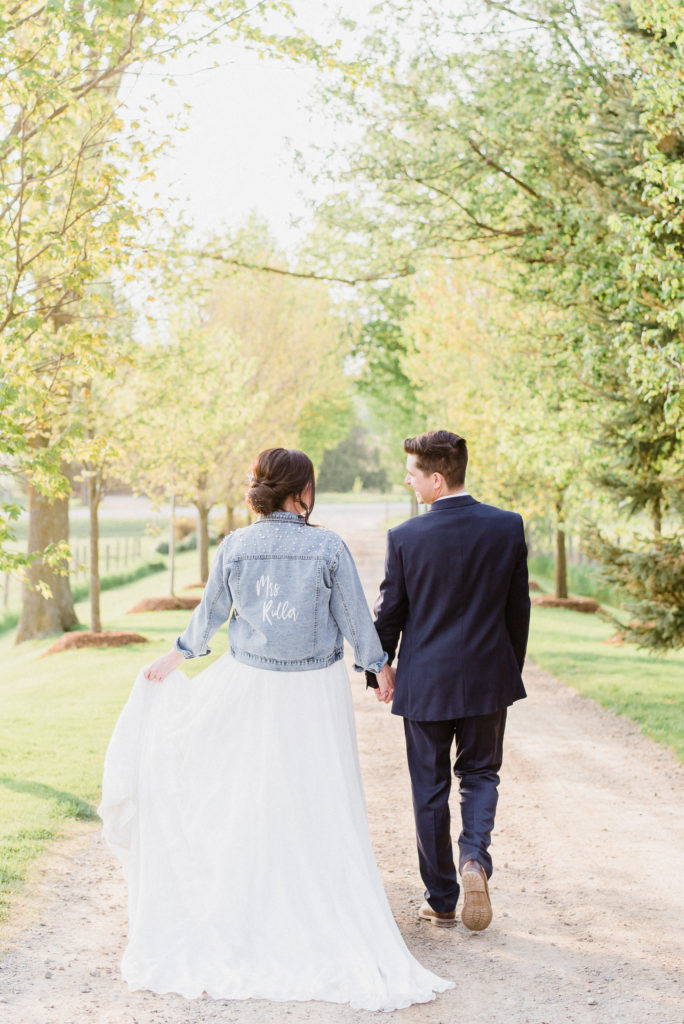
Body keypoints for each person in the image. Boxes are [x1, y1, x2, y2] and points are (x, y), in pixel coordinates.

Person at [98, 447, 453, 1011]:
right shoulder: (327, 546)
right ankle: (312, 907)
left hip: (251, 686)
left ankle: (253, 907)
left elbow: (210, 613)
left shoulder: (237, 545)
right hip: (312, 693)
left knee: (250, 796)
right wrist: (379, 667)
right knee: (316, 798)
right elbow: (354, 619)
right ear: (301, 491)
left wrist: (176, 657)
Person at [366, 430, 530, 931]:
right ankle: (475, 859)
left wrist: (380, 667)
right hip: (487, 678)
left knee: (429, 789)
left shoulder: (406, 537)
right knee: (480, 775)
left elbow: (390, 611)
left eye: (413, 473)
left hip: (426, 684)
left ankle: (441, 898)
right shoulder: (507, 527)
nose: (409, 481)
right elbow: (517, 610)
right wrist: (507, 668)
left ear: (436, 479)